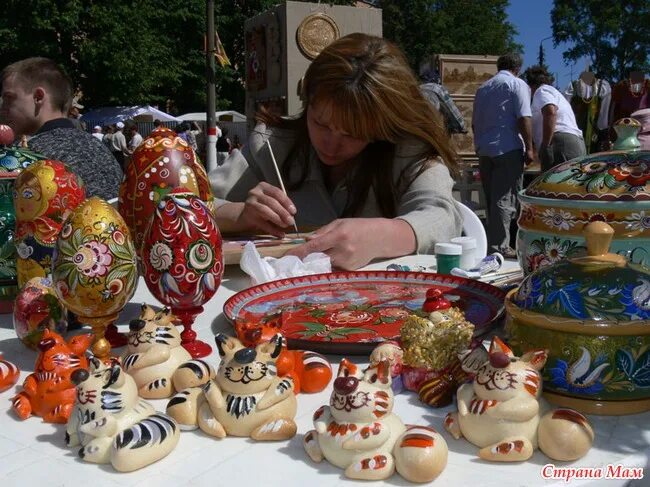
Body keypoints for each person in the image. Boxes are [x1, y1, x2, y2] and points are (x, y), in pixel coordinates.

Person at [210, 33, 462, 270]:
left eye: (352, 133)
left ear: (381, 127)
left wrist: (382, 235)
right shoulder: (271, 145)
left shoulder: (408, 152)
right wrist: (239, 215)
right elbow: (183, 205)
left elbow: (444, 216)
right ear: (307, 102)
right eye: (320, 123)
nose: (330, 143)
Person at [0, 57, 122, 199]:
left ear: (38, 97)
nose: (2, 108)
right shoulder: (100, 149)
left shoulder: (26, 157)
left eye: (9, 98)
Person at [472, 53, 533, 259]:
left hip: (485, 148)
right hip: (506, 146)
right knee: (504, 199)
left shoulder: (483, 88)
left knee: (491, 200)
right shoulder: (516, 84)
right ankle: (500, 247)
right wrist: (530, 147)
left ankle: (491, 242)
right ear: (518, 68)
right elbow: (524, 117)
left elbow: (474, 122)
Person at [524, 65, 585, 172]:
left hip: (559, 144)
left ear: (531, 85)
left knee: (556, 186)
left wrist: (545, 146)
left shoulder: (541, 91)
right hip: (573, 142)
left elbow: (550, 112)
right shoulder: (556, 94)